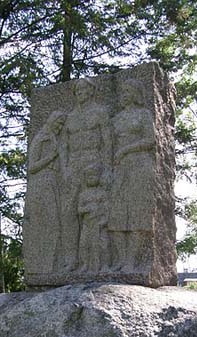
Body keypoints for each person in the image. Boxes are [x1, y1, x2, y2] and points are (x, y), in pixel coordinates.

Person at [60, 78, 112, 272]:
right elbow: (64, 144)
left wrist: (107, 168)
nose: (79, 92)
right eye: (77, 89)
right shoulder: (71, 117)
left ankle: (102, 263)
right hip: (74, 165)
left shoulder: (100, 112)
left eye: (83, 88)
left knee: (98, 211)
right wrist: (64, 168)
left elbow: (107, 141)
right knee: (70, 214)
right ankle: (72, 260)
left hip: (94, 161)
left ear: (91, 91)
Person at [108, 79, 155, 272]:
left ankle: (131, 261)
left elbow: (150, 140)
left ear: (136, 93)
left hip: (139, 164)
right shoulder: (117, 118)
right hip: (120, 167)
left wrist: (127, 149)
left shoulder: (144, 114)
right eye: (123, 91)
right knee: (117, 213)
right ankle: (120, 259)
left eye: (128, 90)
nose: (125, 94)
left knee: (137, 213)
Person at [24, 111, 66, 273]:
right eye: (58, 122)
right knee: (47, 225)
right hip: (41, 183)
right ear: (51, 120)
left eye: (62, 124)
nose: (59, 126)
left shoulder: (54, 138)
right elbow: (32, 167)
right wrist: (50, 157)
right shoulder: (41, 138)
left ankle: (51, 266)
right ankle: (42, 267)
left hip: (52, 182)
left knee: (54, 224)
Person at [77, 163, 110, 273]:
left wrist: (104, 220)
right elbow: (79, 210)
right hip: (87, 223)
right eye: (88, 177)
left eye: (94, 176)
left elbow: (107, 208)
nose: (91, 179)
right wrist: (87, 209)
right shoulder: (83, 195)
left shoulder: (102, 193)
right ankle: (85, 264)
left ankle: (104, 265)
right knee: (84, 244)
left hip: (99, 222)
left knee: (103, 245)